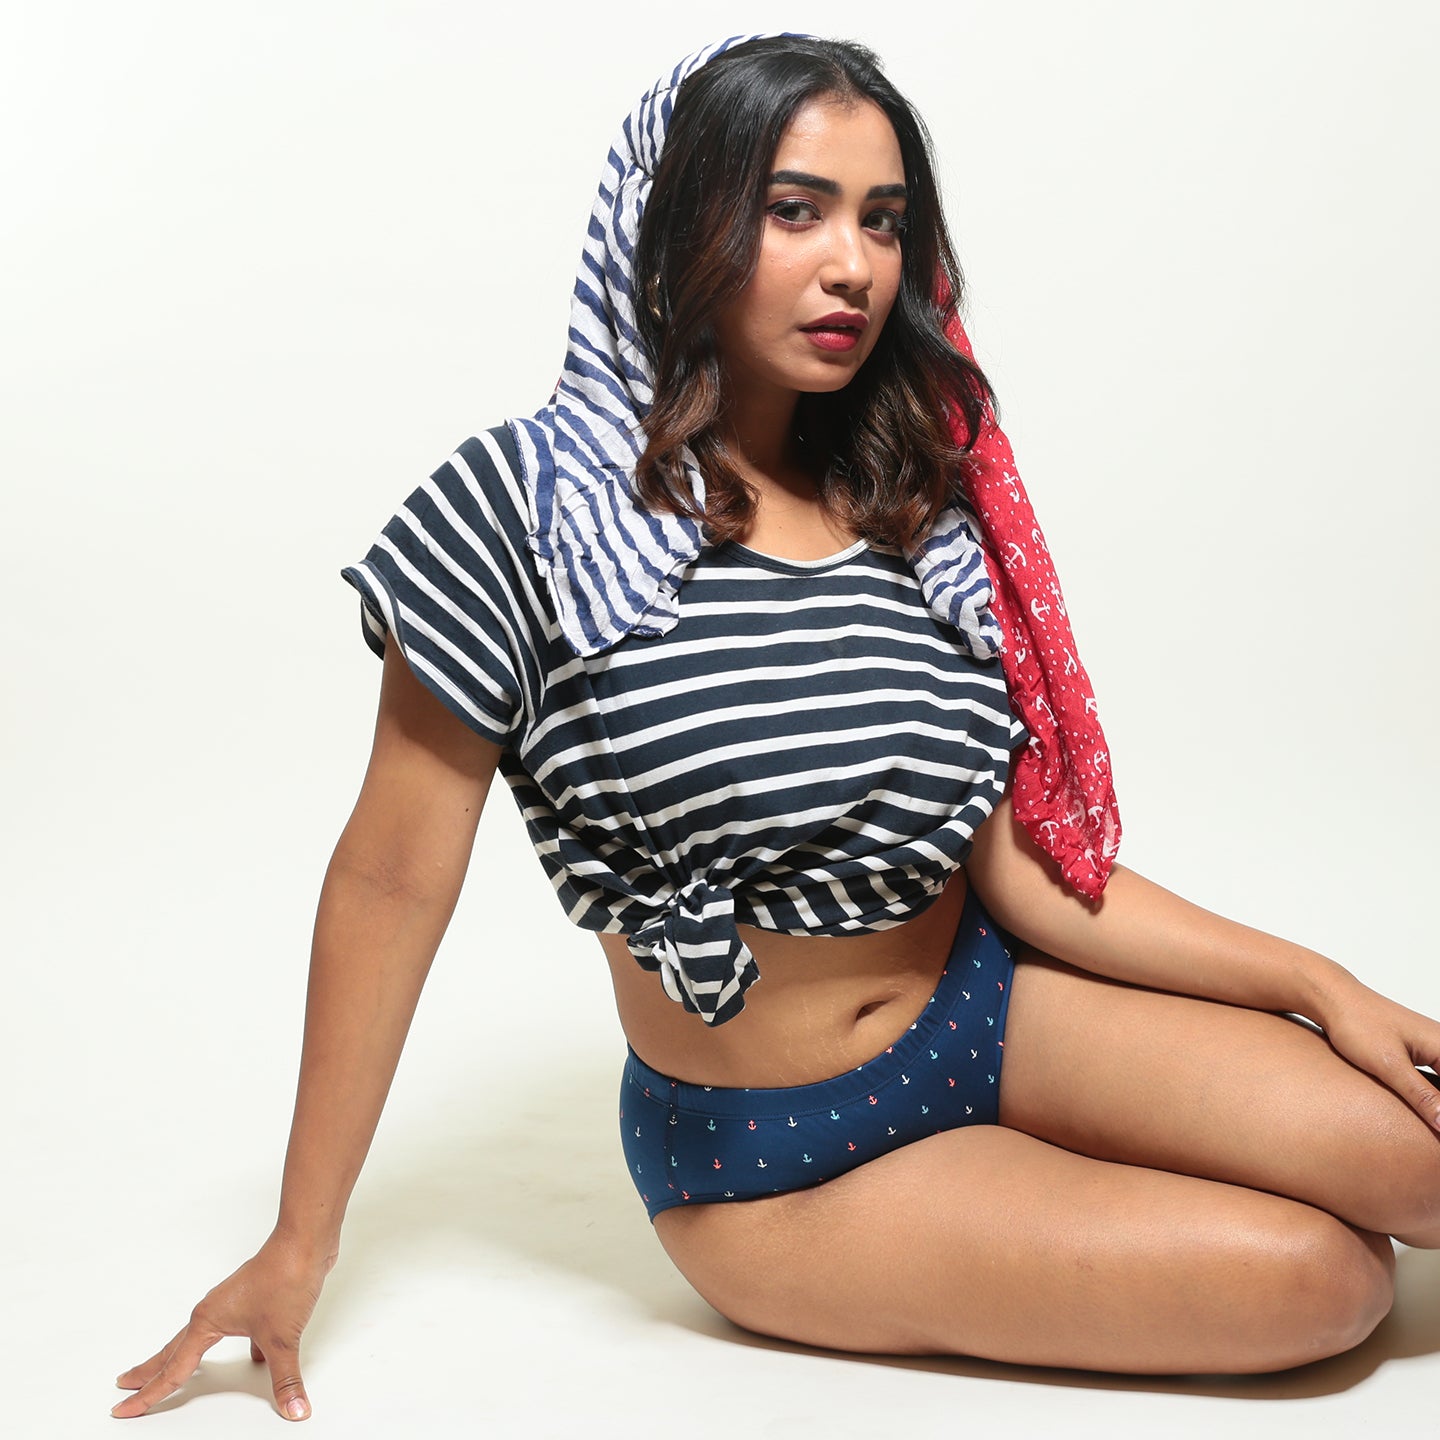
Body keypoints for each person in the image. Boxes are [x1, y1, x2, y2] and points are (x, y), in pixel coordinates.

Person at [112, 33, 1440, 1422]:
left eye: (884, 221)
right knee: (1326, 1286)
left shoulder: (904, 497)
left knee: (1418, 1164)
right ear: (676, 222)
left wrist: (1314, 981)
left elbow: (1011, 860)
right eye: (796, 210)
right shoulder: (521, 511)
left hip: (985, 1009)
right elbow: (389, 883)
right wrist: (300, 1240)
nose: (853, 265)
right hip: (773, 1157)